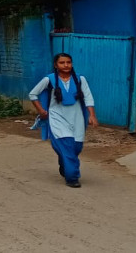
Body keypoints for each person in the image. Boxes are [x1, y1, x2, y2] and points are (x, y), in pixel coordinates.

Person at [29, 53, 98, 188]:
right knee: (66, 146)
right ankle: (72, 177)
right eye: (62, 63)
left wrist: (92, 115)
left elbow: (88, 97)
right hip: (57, 119)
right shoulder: (49, 79)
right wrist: (41, 111)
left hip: (77, 118)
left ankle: (64, 163)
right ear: (56, 65)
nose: (66, 65)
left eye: (68, 62)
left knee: (76, 147)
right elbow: (33, 94)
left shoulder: (80, 79)